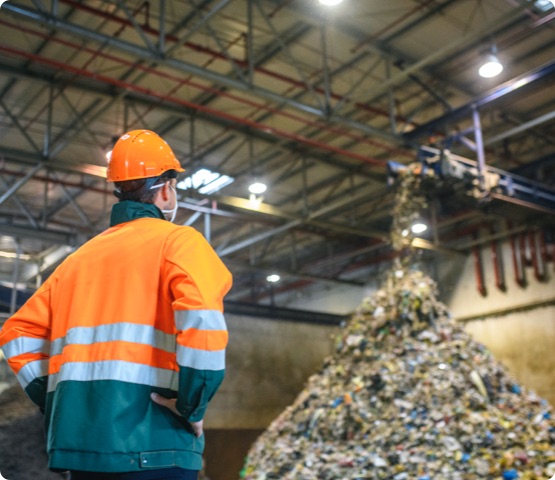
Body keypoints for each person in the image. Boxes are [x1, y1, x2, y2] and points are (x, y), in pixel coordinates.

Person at [0, 129, 232, 480]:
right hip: (156, 447)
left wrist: (57, 401)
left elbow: (16, 332)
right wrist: (192, 406)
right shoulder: (179, 243)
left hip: (82, 453)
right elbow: (203, 321)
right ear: (166, 188)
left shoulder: (78, 260)